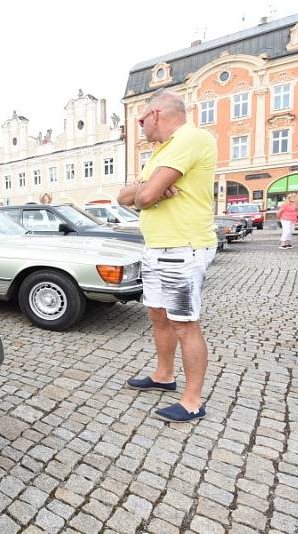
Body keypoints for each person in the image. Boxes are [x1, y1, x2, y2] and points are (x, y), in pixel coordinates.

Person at [116, 89, 217, 423]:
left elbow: (143, 196)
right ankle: (163, 376)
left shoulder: (191, 138)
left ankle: (192, 401)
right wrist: (151, 191)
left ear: (155, 114)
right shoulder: (160, 152)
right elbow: (124, 196)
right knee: (158, 316)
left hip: (182, 246)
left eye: (141, 119)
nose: (140, 126)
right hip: (157, 246)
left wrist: (147, 193)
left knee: (184, 324)